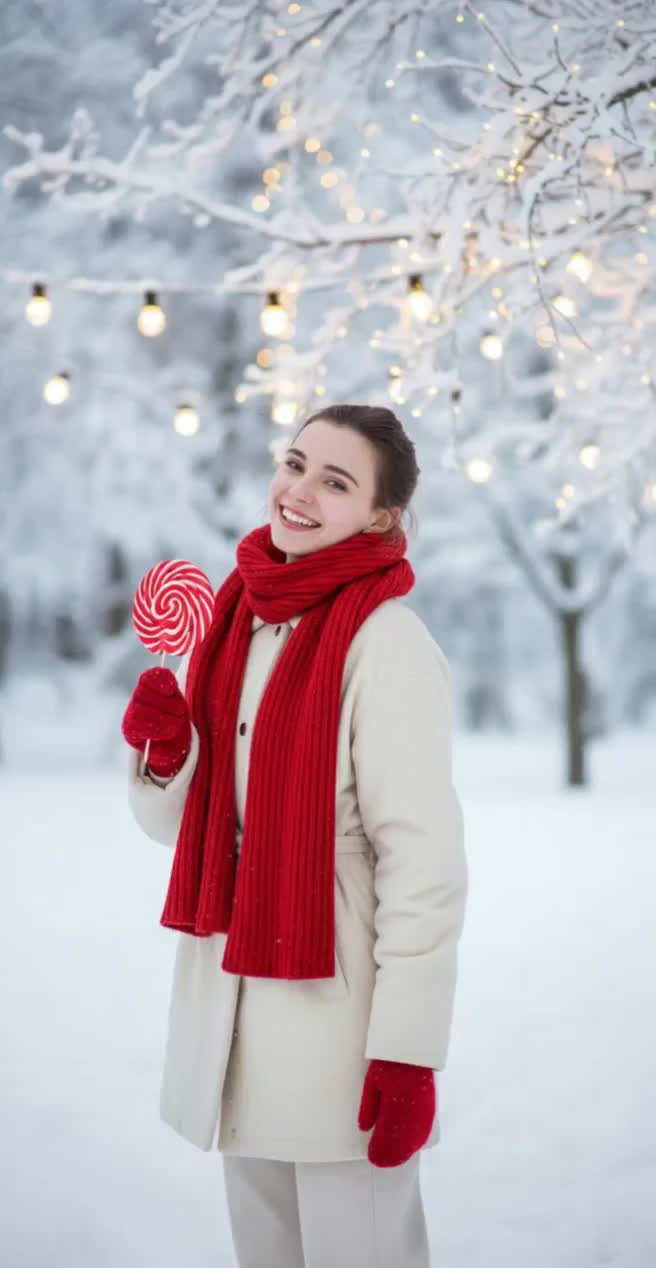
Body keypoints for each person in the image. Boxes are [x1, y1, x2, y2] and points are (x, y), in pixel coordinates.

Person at [122, 403, 468, 1268]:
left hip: (337, 1027)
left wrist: (406, 1054)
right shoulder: (233, 619)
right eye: (295, 463)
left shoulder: (387, 644)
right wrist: (169, 755)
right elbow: (186, 832)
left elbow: (423, 864)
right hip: (233, 1018)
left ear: (381, 517)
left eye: (336, 482)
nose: (300, 491)